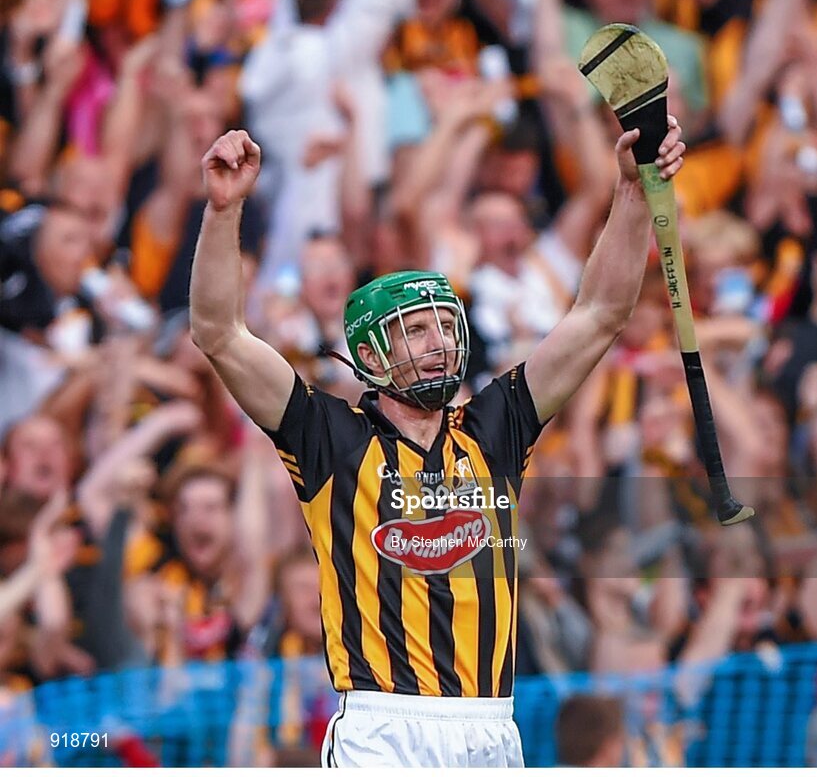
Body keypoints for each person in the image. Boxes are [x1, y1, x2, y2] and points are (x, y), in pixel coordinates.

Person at [188, 81, 685, 766]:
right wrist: (223, 211)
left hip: (490, 728)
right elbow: (217, 332)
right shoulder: (328, 435)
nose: (438, 343)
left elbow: (598, 312)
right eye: (415, 330)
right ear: (368, 353)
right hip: (381, 727)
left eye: (445, 327)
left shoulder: (495, 426)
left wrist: (630, 191)